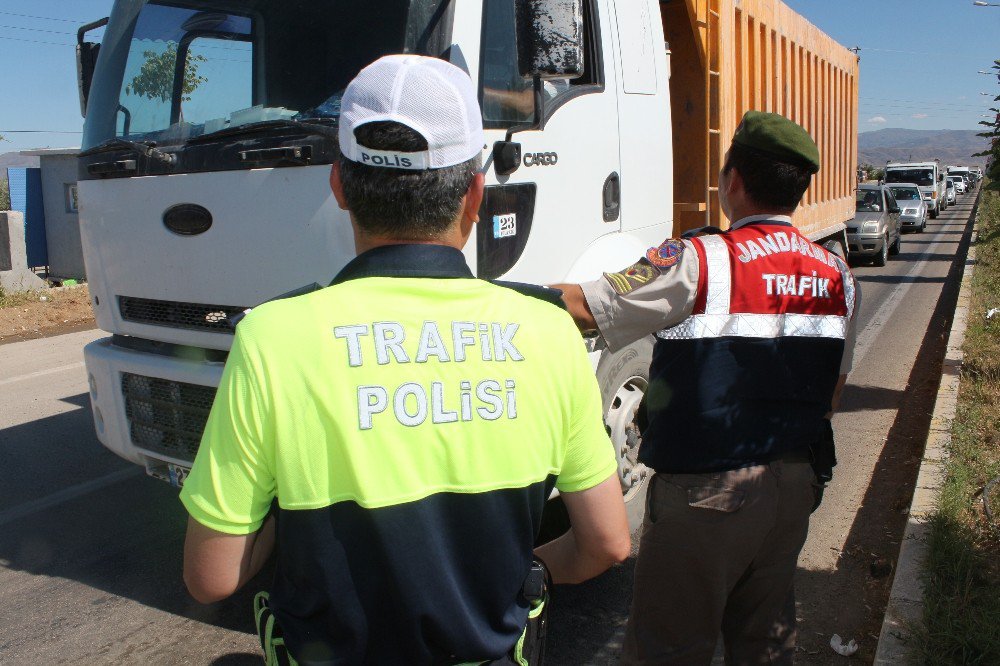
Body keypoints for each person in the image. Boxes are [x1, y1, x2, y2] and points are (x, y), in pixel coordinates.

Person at [179, 55, 630, 665]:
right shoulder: (549, 332)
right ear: (475, 195)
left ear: (338, 186)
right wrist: (532, 573)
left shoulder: (272, 338)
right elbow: (606, 542)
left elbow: (212, 577)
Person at [555, 111, 860, 665]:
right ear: (800, 188)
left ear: (734, 182)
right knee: (765, 645)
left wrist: (489, 297)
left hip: (709, 497)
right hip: (794, 487)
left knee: (667, 649)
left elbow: (587, 306)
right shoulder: (838, 275)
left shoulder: (701, 260)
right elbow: (832, 393)